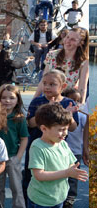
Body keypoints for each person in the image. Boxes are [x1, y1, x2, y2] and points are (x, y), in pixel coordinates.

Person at [22, 69, 79, 202]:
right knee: (32, 176)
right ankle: (30, 201)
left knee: (57, 174)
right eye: (44, 83)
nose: (47, 87)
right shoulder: (37, 101)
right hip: (37, 146)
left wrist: (68, 115)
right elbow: (30, 123)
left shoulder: (68, 103)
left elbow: (73, 128)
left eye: (52, 84)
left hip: (57, 149)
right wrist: (46, 110)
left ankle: (58, 200)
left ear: (62, 86)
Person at [27, 103, 88, 207]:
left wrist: (72, 170)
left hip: (59, 197)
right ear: (44, 129)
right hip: (41, 200)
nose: (65, 133)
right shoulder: (37, 147)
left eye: (66, 129)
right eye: (61, 130)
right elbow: (39, 175)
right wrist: (66, 173)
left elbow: (70, 163)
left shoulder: (62, 143)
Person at [33, 27, 89, 103]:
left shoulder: (84, 62)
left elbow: (82, 87)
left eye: (73, 39)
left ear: (80, 43)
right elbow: (43, 80)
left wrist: (81, 106)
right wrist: (34, 100)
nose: (67, 41)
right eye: (67, 37)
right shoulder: (52, 55)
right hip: (49, 98)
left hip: (68, 100)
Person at [0, 84, 28, 208]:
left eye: (11, 98)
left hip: (12, 157)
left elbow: (24, 139)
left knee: (16, 188)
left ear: (17, 100)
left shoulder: (19, 118)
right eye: (4, 97)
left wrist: (18, 157)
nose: (7, 101)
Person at [61, 88, 87, 208]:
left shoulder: (81, 116)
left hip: (75, 151)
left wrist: (85, 149)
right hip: (62, 151)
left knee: (74, 177)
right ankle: (61, 196)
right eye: (73, 100)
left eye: (78, 101)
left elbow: (85, 131)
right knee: (62, 174)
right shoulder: (60, 113)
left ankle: (70, 199)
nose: (76, 104)